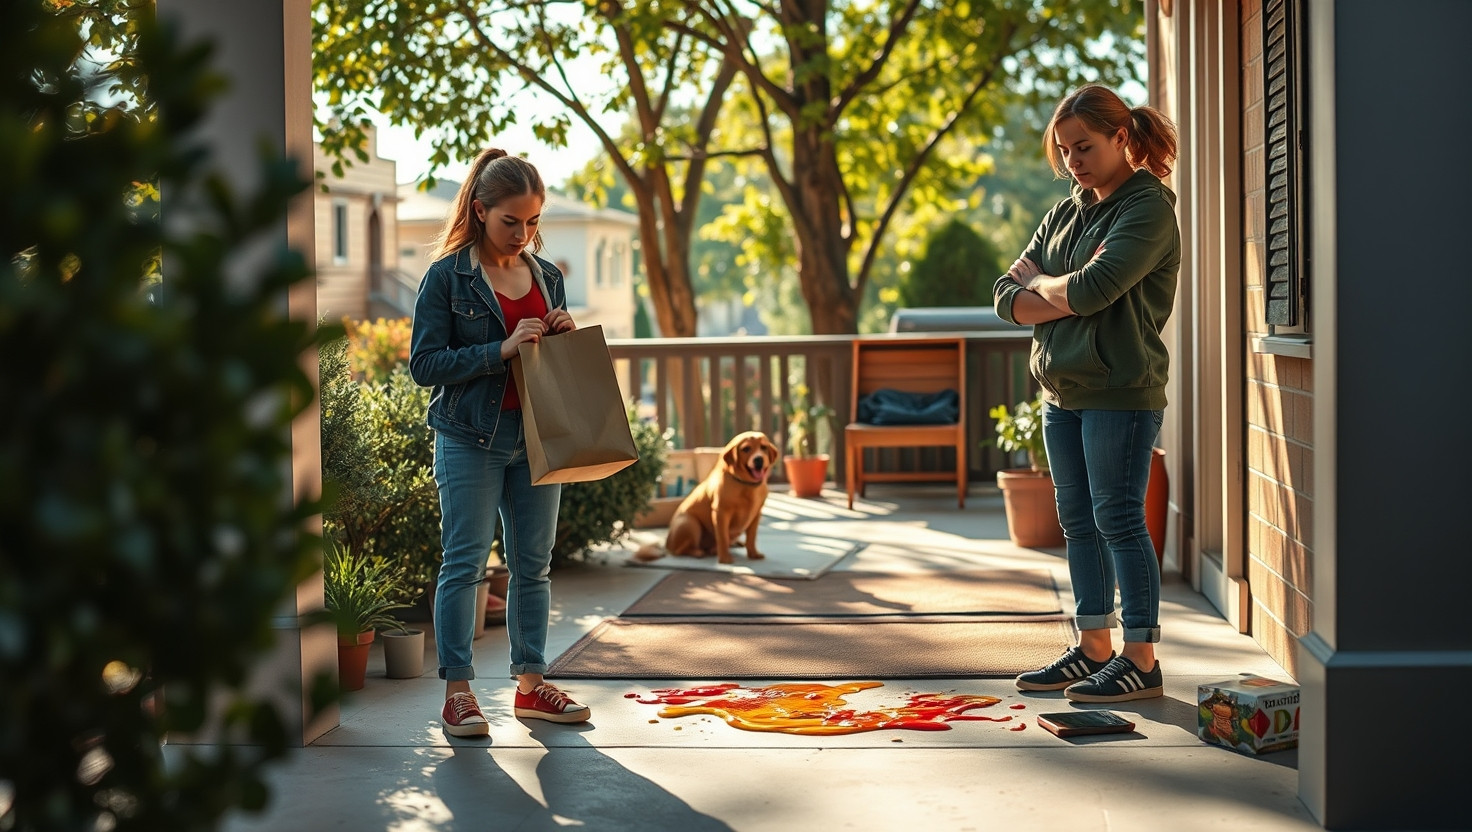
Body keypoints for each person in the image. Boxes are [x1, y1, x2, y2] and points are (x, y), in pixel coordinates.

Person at [994, 84, 1180, 703]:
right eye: (1065, 149)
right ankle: (1094, 646)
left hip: (1120, 393)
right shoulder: (1066, 211)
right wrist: (1056, 290)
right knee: (1077, 522)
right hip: (1062, 392)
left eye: (1085, 146)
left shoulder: (1146, 207)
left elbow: (1091, 292)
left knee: (1119, 519)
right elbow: (1003, 296)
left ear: (1121, 138)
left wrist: (1045, 287)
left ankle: (1142, 660)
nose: (1074, 160)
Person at [409, 148, 590, 735]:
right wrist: (501, 348)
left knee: (533, 566)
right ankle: (458, 693)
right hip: (469, 436)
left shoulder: (548, 275)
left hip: (538, 436)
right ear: (481, 210)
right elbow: (424, 364)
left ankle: (532, 686)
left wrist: (560, 333)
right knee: (464, 565)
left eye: (534, 221)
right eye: (512, 221)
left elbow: (549, 361)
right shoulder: (447, 276)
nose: (524, 233)